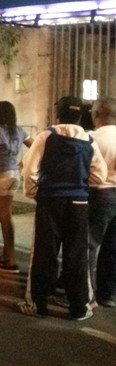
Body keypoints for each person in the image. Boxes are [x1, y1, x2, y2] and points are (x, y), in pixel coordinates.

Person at [18, 96, 106, 320]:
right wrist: (82, 184)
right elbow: (100, 175)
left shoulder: (47, 136)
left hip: (50, 201)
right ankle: (79, 307)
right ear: (79, 116)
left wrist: (34, 192)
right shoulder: (89, 139)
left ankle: (38, 304)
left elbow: (29, 170)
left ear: (57, 114)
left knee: (44, 253)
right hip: (79, 204)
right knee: (77, 255)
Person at [0, 101, 33, 274]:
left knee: (4, 218)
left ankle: (11, 260)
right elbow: (35, 145)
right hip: (14, 174)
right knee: (7, 215)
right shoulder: (19, 131)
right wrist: (22, 164)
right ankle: (6, 255)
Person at [87, 97, 116, 308]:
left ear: (98, 114)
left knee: (89, 244)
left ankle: (86, 292)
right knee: (113, 247)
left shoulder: (91, 138)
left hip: (99, 194)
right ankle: (108, 294)